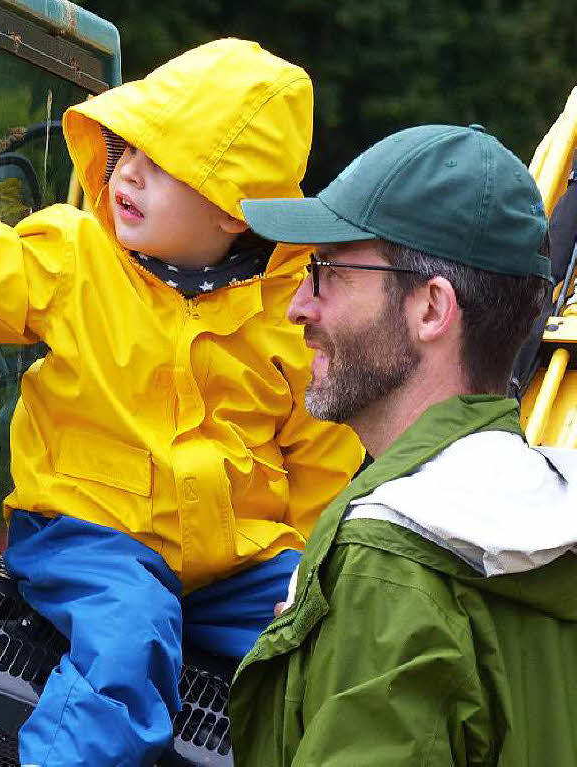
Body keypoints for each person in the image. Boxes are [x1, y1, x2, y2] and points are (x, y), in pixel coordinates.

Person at [0, 39, 362, 766]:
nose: (127, 172)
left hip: (233, 566)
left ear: (234, 212)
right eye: (128, 150)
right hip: (89, 536)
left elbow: (322, 461)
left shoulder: (288, 315)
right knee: (129, 640)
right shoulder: (75, 254)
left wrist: (310, 583)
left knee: (324, 645)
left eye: (161, 165)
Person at [228, 123, 577, 765]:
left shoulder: (388, 566)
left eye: (327, 270)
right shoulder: (554, 523)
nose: (298, 306)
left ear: (429, 310)